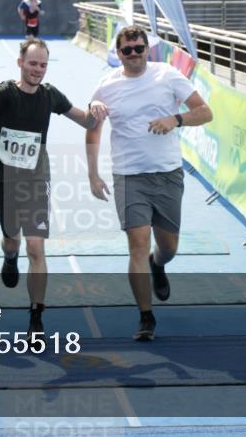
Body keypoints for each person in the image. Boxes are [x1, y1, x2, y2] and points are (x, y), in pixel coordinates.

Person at [85, 26, 212, 342]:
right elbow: (92, 129)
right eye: (126, 50)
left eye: (138, 48)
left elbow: (205, 112)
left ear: (147, 49)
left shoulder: (167, 75)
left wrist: (176, 120)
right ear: (118, 53)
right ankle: (146, 316)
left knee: (168, 247)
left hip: (167, 173)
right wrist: (93, 172)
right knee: (137, 244)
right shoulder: (106, 86)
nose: (133, 55)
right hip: (128, 176)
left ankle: (159, 264)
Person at [0, 38, 97, 335]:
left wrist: (99, 105)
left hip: (37, 181)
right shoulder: (5, 91)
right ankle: (9, 256)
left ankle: (36, 317)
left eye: (43, 65)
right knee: (12, 239)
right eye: (32, 64)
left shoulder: (50, 95)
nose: (38, 70)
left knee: (36, 246)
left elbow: (87, 120)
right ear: (20, 63)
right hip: (5, 182)